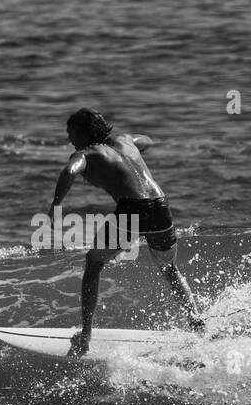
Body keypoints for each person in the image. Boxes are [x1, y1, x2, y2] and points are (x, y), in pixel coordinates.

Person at [47, 107, 204, 355]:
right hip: (161, 205)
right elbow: (148, 141)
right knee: (169, 268)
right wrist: (131, 148)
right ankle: (197, 323)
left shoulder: (86, 153)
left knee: (93, 263)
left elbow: (69, 171)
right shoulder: (125, 140)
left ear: (81, 132)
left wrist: (56, 204)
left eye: (70, 132)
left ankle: (85, 337)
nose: (69, 139)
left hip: (133, 209)